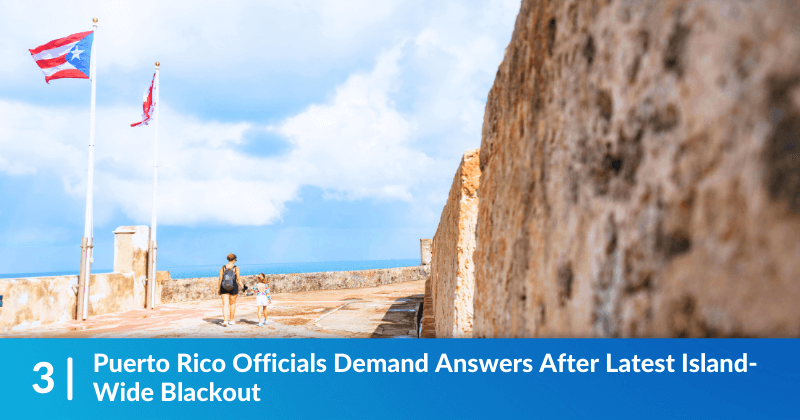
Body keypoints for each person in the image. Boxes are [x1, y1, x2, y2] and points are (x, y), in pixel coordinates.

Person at [218, 253, 244, 325]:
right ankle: (231, 320)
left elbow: (220, 279)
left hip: (223, 287)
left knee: (225, 304)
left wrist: (218, 288)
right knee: (232, 304)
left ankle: (225, 320)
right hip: (233, 287)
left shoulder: (223, 268)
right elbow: (238, 279)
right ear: (234, 260)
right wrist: (243, 287)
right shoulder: (236, 268)